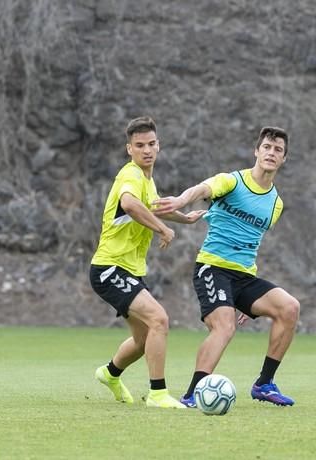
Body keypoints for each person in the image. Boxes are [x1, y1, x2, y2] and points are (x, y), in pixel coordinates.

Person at [152, 126, 300, 407]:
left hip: (244, 276)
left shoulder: (276, 204)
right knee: (224, 326)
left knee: (289, 308)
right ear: (256, 151)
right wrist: (182, 200)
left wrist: (247, 301)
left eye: (277, 149)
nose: (271, 153)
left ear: (284, 159)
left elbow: (251, 243)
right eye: (266, 147)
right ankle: (192, 394)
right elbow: (203, 188)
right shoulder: (232, 181)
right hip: (212, 268)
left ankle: (264, 384)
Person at [90, 116, 205, 409]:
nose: (146, 150)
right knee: (160, 319)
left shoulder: (146, 181)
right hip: (109, 268)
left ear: (159, 146)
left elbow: (153, 206)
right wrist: (162, 229)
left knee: (143, 339)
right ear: (129, 149)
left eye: (151, 144)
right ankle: (157, 394)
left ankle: (110, 373)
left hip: (128, 270)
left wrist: (184, 218)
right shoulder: (130, 175)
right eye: (139, 145)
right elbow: (129, 204)